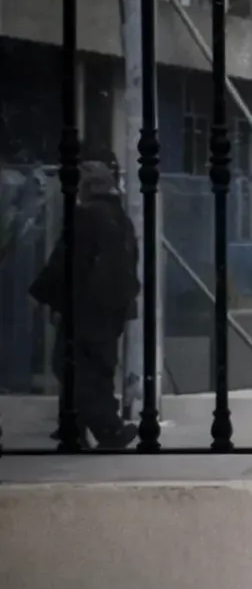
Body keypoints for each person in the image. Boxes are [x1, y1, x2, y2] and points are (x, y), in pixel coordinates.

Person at [29, 161, 139, 450]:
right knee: (96, 368)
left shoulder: (87, 216)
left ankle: (109, 429)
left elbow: (68, 262)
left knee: (71, 367)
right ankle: (73, 428)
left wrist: (48, 296)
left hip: (87, 306)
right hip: (111, 307)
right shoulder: (120, 218)